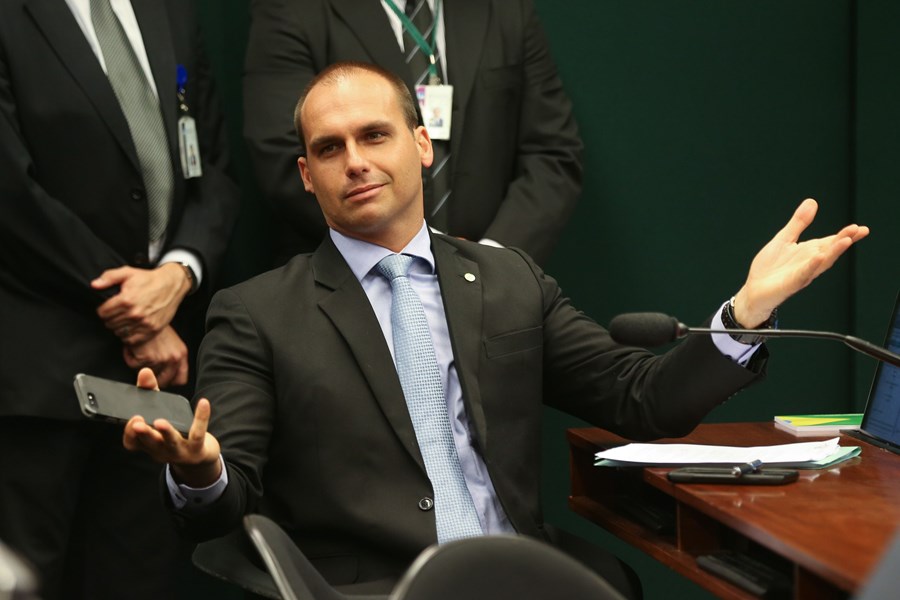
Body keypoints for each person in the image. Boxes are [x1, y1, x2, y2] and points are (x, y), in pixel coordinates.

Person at [124, 62, 868, 599]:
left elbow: (642, 399)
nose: (354, 162)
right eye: (329, 148)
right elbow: (225, 498)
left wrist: (745, 311)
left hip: (520, 578)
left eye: (375, 135)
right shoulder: (255, 313)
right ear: (306, 174)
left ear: (422, 145)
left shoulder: (508, 278)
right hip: (372, 590)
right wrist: (199, 471)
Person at [0, 1, 239, 598]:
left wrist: (179, 273)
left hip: (153, 387)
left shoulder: (171, 10)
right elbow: (11, 195)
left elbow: (212, 166)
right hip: (37, 378)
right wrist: (140, 311)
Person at [243, 0, 583, 266]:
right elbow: (285, 151)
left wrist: (490, 260)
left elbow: (551, 152)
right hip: (343, 290)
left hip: (495, 292)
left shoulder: (504, 7)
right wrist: (422, 254)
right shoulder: (292, 9)